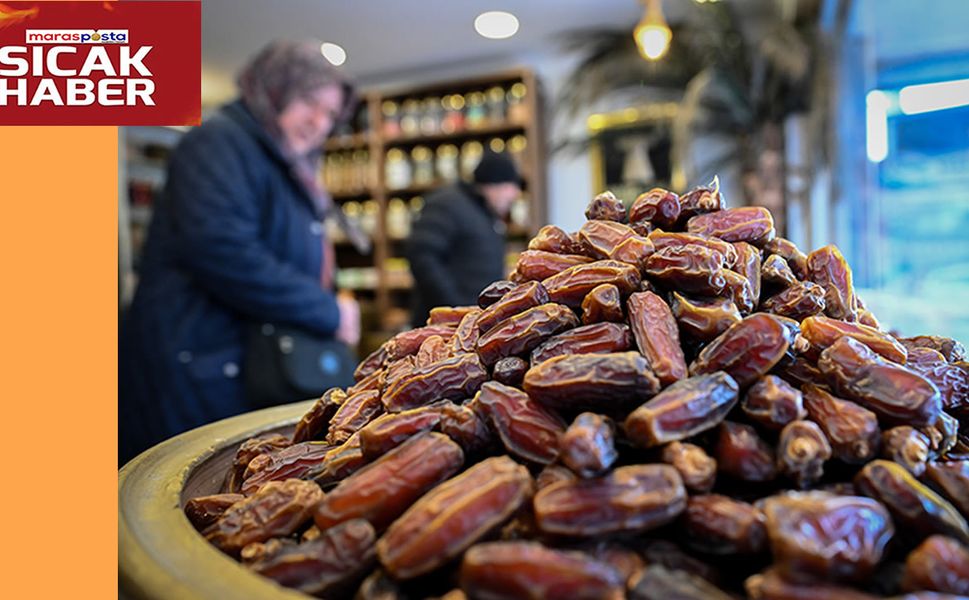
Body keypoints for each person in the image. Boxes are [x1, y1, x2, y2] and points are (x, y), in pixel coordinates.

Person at [119, 40, 361, 465]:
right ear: (275, 88)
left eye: (330, 114)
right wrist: (327, 312)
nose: (320, 123)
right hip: (195, 367)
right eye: (310, 102)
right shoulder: (219, 144)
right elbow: (222, 250)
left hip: (236, 364)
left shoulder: (277, 156)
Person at [406, 151, 523, 326]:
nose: (514, 194)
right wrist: (454, 306)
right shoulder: (446, 204)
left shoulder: (485, 213)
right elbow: (422, 256)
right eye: (510, 186)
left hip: (470, 325)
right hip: (441, 328)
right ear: (493, 184)